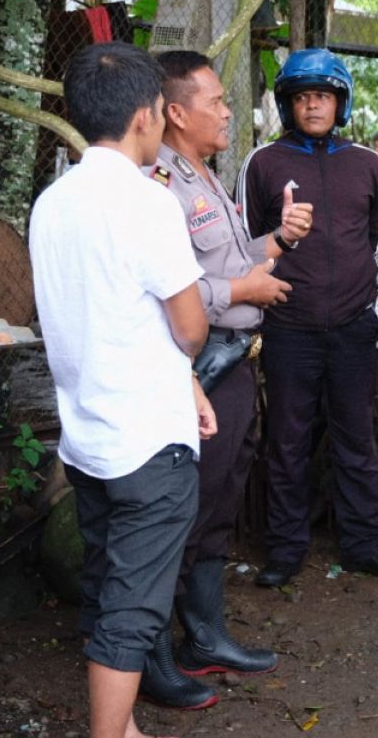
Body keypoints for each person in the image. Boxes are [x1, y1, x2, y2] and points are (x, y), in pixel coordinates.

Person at [30, 41, 214, 738]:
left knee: (109, 584)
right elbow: (190, 326)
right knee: (135, 603)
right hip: (147, 441)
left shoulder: (53, 203)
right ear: (146, 117)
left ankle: (125, 726)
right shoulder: (146, 204)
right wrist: (186, 364)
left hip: (86, 437)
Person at [134, 51, 314, 709]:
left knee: (218, 499)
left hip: (235, 362)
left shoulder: (205, 177)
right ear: (177, 112)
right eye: (216, 99)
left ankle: (203, 634)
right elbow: (172, 288)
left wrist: (279, 242)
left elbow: (233, 259)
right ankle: (149, 654)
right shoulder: (160, 185)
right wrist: (246, 286)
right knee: (181, 509)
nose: (229, 110)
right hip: (196, 371)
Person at [238, 49, 378, 587]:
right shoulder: (263, 162)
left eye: (322, 95)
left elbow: (375, 239)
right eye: (301, 97)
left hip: (353, 325)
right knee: (287, 441)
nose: (312, 105)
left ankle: (365, 544)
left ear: (341, 101)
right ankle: (285, 551)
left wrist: (354, 298)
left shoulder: (367, 163)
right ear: (288, 104)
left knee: (356, 436)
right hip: (289, 325)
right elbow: (247, 246)